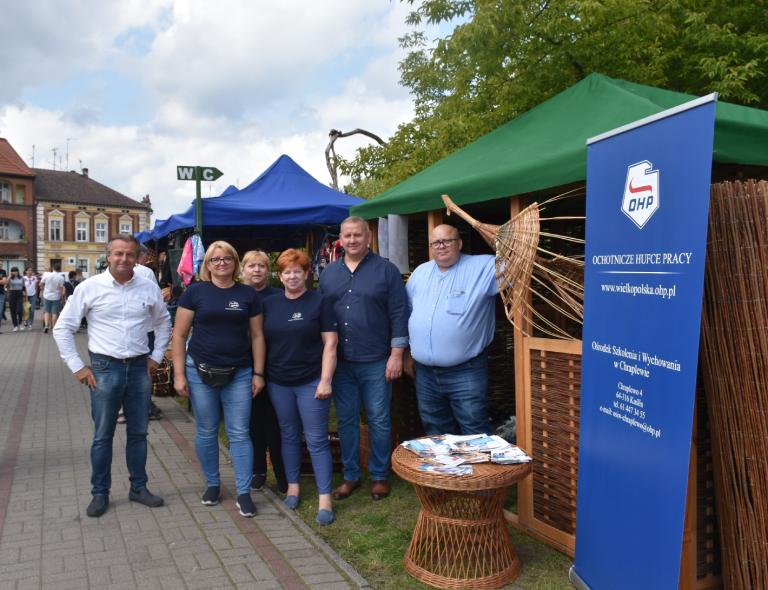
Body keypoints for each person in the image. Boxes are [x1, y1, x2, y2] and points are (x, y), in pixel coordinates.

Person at [52, 234, 171, 518]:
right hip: (105, 368)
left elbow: (164, 322)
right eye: (118, 254)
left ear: (137, 257)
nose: (123, 259)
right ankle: (100, 492)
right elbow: (63, 328)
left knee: (139, 433)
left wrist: (155, 358)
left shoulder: (147, 287)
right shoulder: (90, 288)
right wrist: (78, 367)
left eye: (129, 254)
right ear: (108, 255)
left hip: (140, 366)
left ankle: (138, 488)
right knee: (103, 436)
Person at [172, 241, 266, 518]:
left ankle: (244, 492)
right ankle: (213, 484)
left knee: (239, 433)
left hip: (239, 372)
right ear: (207, 264)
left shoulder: (248, 294)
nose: (221, 263)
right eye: (215, 259)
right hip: (199, 371)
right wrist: (178, 374)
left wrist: (259, 373)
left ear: (236, 263)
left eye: (227, 258)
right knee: (206, 430)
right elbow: (179, 335)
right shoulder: (194, 293)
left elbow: (258, 336)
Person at [319, 217, 408, 501]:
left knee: (379, 419)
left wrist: (397, 353)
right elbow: (321, 317)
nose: (353, 240)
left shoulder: (386, 270)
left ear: (368, 237)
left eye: (358, 235)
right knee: (346, 421)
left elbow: (399, 312)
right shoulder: (328, 274)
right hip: (341, 362)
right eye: (347, 236)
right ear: (341, 239)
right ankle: (351, 476)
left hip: (376, 360)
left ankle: (380, 476)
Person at [262, 249, 338, 525]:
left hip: (311, 381)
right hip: (278, 381)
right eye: (286, 272)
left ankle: (325, 497)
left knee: (317, 440)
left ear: (307, 273)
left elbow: (331, 343)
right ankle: (293, 487)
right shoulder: (270, 304)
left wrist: (326, 380)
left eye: (297, 271)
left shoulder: (320, 302)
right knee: (288, 435)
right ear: (279, 276)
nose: (292, 276)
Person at [404, 224, 497, 435]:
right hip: (425, 373)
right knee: (435, 430)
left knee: (474, 430)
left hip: (465, 371)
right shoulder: (420, 273)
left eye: (448, 241)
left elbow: (520, 264)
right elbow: (408, 312)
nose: (441, 246)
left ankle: (481, 469)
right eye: (436, 242)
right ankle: (446, 470)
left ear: (460, 243)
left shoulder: (483, 267)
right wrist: (407, 353)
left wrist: (496, 235)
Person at [241, 250, 287, 494]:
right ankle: (258, 469)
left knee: (276, 423)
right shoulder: (237, 295)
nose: (257, 270)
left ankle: (282, 472)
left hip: (276, 367)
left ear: (268, 271)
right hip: (243, 367)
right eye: (251, 266)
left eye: (261, 266)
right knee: (252, 423)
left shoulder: (279, 296)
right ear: (243, 270)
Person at [40, 263, 66, 333]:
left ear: (53, 268)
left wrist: (43, 289)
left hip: (47, 296)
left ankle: (46, 326)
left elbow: (41, 284)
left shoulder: (47, 275)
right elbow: (61, 288)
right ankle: (54, 327)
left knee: (47, 311)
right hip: (56, 296)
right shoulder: (61, 277)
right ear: (59, 269)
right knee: (55, 312)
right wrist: (62, 297)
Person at [6, 267, 25, 332]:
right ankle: (15, 325)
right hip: (12, 293)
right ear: (11, 272)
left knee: (20, 309)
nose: (15, 272)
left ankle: (20, 323)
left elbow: (23, 287)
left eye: (16, 271)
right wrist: (9, 277)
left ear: (18, 271)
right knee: (13, 310)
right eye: (13, 271)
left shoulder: (21, 278)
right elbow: (6, 285)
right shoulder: (10, 278)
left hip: (19, 293)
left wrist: (25, 295)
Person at [0, 268, 6, 332]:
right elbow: (2, 281)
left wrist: (2, 281)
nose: (0, 265)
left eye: (1, 264)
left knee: (0, 312)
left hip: (1, 294)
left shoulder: (3, 271)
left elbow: (4, 281)